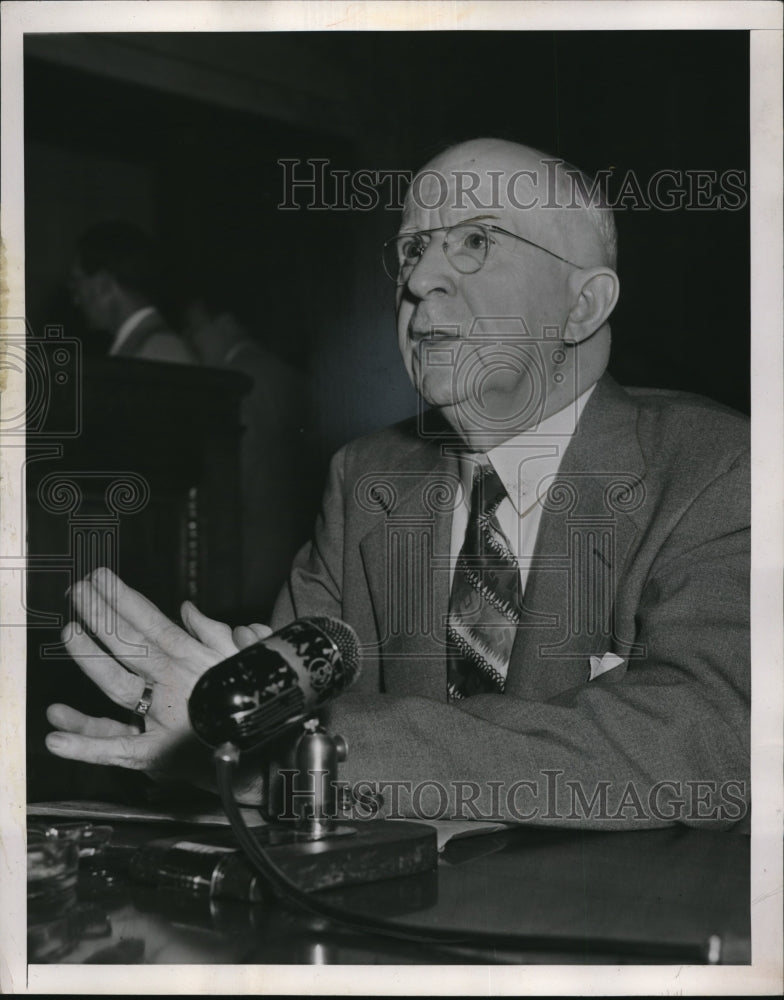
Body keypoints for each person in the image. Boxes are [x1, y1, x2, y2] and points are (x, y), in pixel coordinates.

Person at [45, 139, 749, 830]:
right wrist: (211, 734)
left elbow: (709, 745)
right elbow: (272, 719)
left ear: (583, 306)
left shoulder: (718, 466)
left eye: (475, 241)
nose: (418, 281)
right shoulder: (367, 478)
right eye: (412, 248)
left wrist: (296, 753)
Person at [70, 220, 195, 364]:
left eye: (77, 284)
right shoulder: (147, 344)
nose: (76, 300)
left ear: (103, 285)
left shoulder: (160, 349)